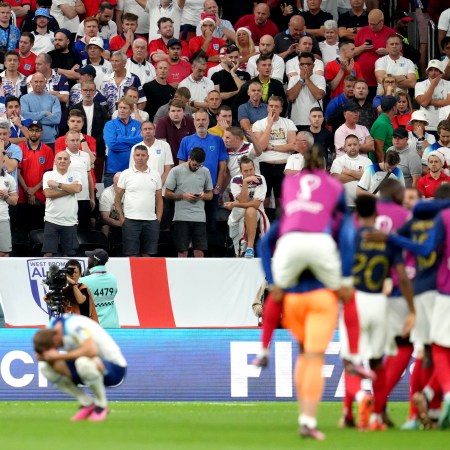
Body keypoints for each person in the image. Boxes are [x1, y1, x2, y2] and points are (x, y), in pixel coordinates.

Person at [256, 146, 355, 439]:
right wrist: (346, 277)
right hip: (321, 283)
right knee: (314, 354)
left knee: (277, 297)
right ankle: (354, 354)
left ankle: (264, 348)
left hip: (291, 278)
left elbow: (265, 244)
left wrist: (273, 282)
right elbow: (346, 233)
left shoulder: (289, 187)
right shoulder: (334, 189)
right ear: (324, 166)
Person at [340, 194, 415, 432]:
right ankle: (377, 418)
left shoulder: (349, 236)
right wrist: (412, 310)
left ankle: (361, 401)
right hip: (379, 303)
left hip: (354, 302)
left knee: (351, 363)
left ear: (356, 214)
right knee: (377, 363)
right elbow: (402, 276)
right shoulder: (386, 239)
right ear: (376, 213)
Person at [33, 314, 126, 421]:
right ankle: (87, 403)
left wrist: (58, 356)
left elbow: (92, 350)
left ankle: (101, 405)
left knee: (83, 362)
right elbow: (40, 354)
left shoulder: (75, 326)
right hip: (87, 365)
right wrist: (43, 356)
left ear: (55, 338)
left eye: (55, 347)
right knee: (45, 368)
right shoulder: (50, 328)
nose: (57, 348)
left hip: (114, 368)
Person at [177, 108, 227, 232]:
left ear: (208, 122)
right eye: (198, 120)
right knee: (191, 224)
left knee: (210, 224)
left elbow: (223, 167)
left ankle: (207, 250)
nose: (200, 122)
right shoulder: (186, 140)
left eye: (203, 120)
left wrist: (218, 188)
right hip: (191, 190)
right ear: (194, 122)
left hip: (211, 191)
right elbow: (181, 165)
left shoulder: (217, 140)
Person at [115, 145, 163, 257]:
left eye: (143, 155)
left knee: (148, 255)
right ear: (133, 156)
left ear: (148, 157)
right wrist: (122, 218)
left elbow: (159, 199)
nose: (140, 158)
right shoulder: (125, 174)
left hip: (151, 221)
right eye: (137, 155)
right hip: (130, 220)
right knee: (132, 255)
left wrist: (158, 219)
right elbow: (117, 198)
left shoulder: (155, 174)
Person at [164, 147, 213, 258]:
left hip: (199, 217)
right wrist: (183, 196)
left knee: (199, 250)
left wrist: (203, 196)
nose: (196, 168)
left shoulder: (205, 171)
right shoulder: (176, 171)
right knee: (182, 250)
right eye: (195, 165)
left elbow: (210, 195)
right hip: (181, 217)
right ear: (189, 158)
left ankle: (200, 274)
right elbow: (167, 193)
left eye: (199, 165)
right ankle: (181, 274)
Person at [252, 95, 296, 208]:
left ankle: (281, 225)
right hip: (264, 165)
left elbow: (293, 146)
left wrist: (272, 147)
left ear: (281, 109)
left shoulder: (288, 123)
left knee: (281, 200)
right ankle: (265, 224)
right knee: (264, 200)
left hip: (284, 166)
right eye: (271, 106)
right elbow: (261, 146)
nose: (273, 109)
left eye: (276, 106)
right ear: (267, 108)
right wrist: (270, 124)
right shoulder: (259, 124)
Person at [224, 156, 269, 258]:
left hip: (256, 211)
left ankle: (250, 248)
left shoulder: (260, 179)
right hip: (237, 214)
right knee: (236, 245)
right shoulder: (235, 180)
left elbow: (256, 204)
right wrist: (245, 182)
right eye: (246, 171)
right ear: (241, 171)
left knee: (250, 210)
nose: (249, 173)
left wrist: (235, 204)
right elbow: (243, 200)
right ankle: (238, 254)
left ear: (254, 168)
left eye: (251, 170)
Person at [42, 150, 81, 256]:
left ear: (70, 162)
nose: (62, 161)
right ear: (55, 161)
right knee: (48, 254)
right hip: (51, 220)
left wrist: (58, 185)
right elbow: (48, 193)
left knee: (69, 255)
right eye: (59, 158)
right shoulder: (48, 175)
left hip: (70, 221)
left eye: (65, 159)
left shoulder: (76, 174)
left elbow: (77, 189)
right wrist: (70, 189)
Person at [17, 120, 54, 232]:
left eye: (37, 130)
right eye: (32, 130)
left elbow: (48, 174)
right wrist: (28, 191)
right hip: (22, 197)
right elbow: (17, 173)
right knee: (22, 231)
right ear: (27, 131)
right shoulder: (20, 148)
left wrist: (34, 190)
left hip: (40, 197)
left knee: (39, 231)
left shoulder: (47, 150)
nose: (34, 133)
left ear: (41, 133)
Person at [353, 9, 396, 99]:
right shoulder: (362, 31)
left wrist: (387, 51)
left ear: (382, 22)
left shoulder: (391, 33)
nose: (371, 27)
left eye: (374, 24)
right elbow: (352, 53)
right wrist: (362, 48)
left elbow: (400, 54)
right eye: (370, 23)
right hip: (363, 79)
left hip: (383, 81)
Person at [103, 96, 142, 188]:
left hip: (133, 169)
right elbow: (112, 145)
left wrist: (120, 138)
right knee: (111, 200)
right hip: (113, 169)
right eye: (120, 107)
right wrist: (131, 145)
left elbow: (141, 142)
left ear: (131, 110)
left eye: (125, 108)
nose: (122, 110)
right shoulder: (110, 124)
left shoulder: (138, 125)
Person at [80, 248, 120, 328]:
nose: (88, 259)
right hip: (113, 324)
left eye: (90, 257)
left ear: (95, 261)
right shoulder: (113, 278)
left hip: (93, 326)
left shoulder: (83, 280)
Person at [286, 51, 326, 131]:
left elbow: (318, 96)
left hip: (315, 122)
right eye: (302, 64)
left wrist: (307, 79)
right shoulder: (293, 79)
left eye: (308, 64)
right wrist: (301, 80)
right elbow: (290, 97)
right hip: (296, 121)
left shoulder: (320, 78)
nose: (305, 67)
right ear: (299, 66)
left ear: (313, 65)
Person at [20, 71, 62, 147]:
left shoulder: (54, 99)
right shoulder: (24, 99)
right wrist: (44, 113)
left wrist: (34, 120)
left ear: (45, 82)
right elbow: (25, 117)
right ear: (31, 82)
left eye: (41, 82)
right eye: (36, 82)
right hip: (31, 142)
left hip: (50, 141)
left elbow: (56, 119)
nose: (38, 84)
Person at [331, 134, 372, 207]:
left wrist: (349, 172)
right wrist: (359, 175)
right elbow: (336, 179)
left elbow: (369, 178)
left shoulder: (367, 161)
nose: (352, 147)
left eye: (355, 144)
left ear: (359, 146)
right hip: (343, 204)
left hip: (362, 204)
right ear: (345, 147)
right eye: (349, 145)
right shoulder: (338, 161)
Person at [101, 50, 146, 116]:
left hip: (128, 118)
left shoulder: (134, 78)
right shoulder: (105, 79)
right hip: (109, 118)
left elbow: (142, 101)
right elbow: (102, 99)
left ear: (124, 63)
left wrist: (135, 116)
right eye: (112, 61)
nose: (113, 63)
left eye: (117, 61)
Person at [129, 121, 173, 187]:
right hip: (141, 187)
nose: (148, 131)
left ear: (154, 131)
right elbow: (132, 170)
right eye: (145, 129)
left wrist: (158, 185)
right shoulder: (135, 148)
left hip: (161, 188)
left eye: (150, 129)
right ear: (141, 132)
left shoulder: (165, 145)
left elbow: (168, 169)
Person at [155, 98, 195, 163]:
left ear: (184, 112)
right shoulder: (162, 122)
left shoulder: (191, 121)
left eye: (179, 111)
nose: (176, 114)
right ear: (168, 112)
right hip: (168, 161)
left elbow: (194, 143)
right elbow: (161, 146)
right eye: (173, 111)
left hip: (188, 161)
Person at [415, 60, 450, 132]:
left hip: (445, 126)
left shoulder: (448, 84)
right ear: (427, 72)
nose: (433, 73)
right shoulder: (420, 84)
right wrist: (433, 85)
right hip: (427, 126)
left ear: (441, 72)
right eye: (430, 70)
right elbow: (424, 103)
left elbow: (449, 102)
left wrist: (429, 101)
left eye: (436, 70)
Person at [369, 95, 397, 163]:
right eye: (396, 105)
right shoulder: (382, 124)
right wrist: (384, 167)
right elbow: (378, 150)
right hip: (381, 166)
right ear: (393, 108)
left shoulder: (385, 121)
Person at [0, 155, 18, 256]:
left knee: (4, 253)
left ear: (3, 161)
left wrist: (6, 196)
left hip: (2, 218)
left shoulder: (9, 178)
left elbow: (14, 201)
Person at [0, 2, 21, 71]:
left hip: (12, 63)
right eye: (2, 12)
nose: (5, 15)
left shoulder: (16, 30)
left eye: (8, 13)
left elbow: (19, 48)